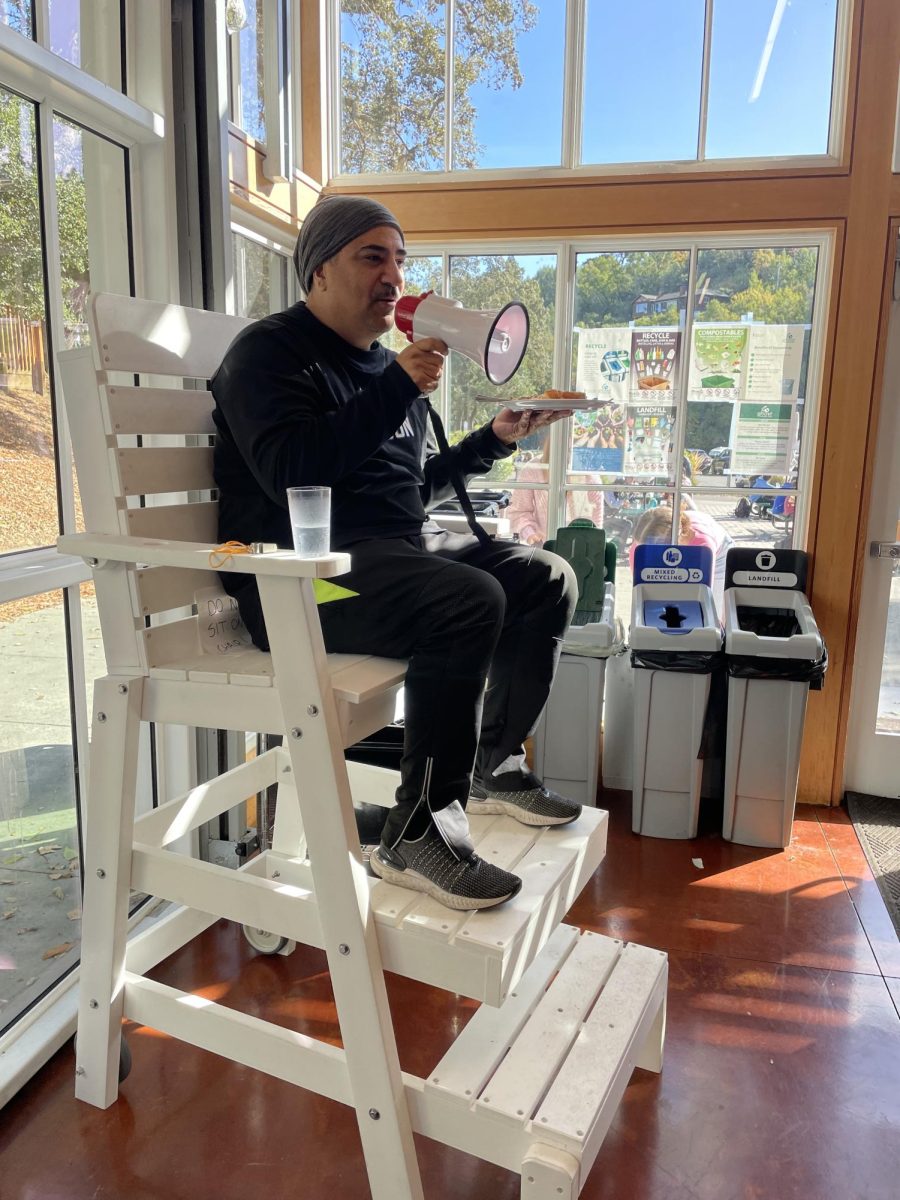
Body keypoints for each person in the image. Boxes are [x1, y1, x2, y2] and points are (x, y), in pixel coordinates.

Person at [211, 194, 581, 913]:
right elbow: (292, 471)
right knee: (467, 599)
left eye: (401, 259)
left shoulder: (387, 370)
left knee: (544, 577)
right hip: (300, 585)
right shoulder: (267, 355)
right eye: (372, 256)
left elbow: (410, 492)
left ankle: (489, 763)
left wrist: (493, 440)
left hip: (383, 561)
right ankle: (418, 831)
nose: (394, 275)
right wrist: (394, 388)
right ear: (319, 271)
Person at [629, 503, 734, 607]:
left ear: (673, 544)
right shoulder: (639, 545)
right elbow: (641, 588)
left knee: (714, 607)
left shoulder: (702, 546)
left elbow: (704, 595)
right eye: (643, 548)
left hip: (720, 554)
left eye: (652, 551)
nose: (646, 553)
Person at [506, 441, 604, 545]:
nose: (569, 446)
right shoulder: (533, 469)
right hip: (543, 547)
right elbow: (518, 511)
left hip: (581, 548)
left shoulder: (590, 476)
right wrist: (530, 533)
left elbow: (596, 525)